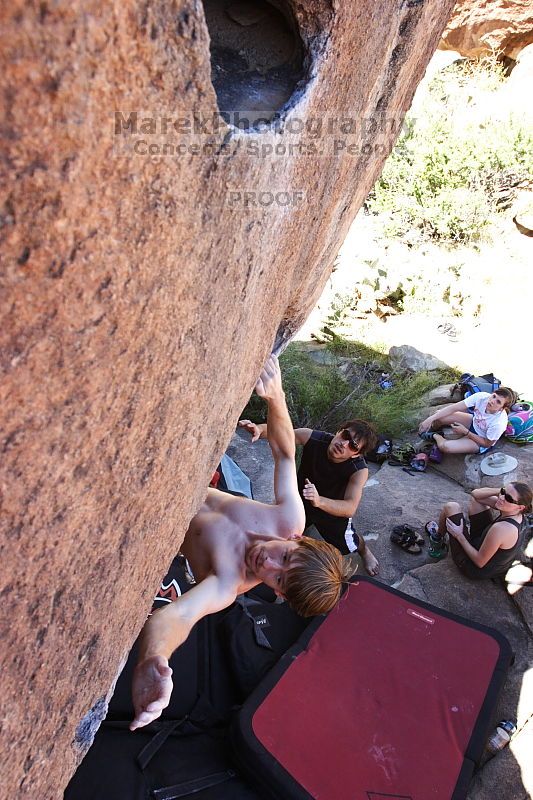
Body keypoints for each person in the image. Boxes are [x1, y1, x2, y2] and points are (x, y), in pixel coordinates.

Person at [130, 355, 349, 732]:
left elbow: (177, 617)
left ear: (278, 594)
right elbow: (284, 454)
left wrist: (154, 658)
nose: (267, 564)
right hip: (190, 481)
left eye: (277, 579)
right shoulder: (288, 520)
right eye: (284, 557)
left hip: (152, 517)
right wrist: (276, 397)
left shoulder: (227, 583)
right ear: (297, 541)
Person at [238, 417, 379, 575]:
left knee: (349, 544)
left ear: (356, 455)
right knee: (282, 534)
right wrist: (259, 429)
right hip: (300, 500)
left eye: (353, 446)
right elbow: (282, 433)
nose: (344, 444)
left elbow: (350, 508)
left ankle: (364, 551)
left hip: (331, 513)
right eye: (345, 435)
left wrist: (319, 501)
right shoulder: (313, 438)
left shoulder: (358, 470)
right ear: (339, 431)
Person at [428, 482, 532, 580]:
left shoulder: (502, 529)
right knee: (477, 501)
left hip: (474, 567)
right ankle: (442, 536)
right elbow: (476, 495)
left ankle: (437, 539)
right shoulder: (517, 513)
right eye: (503, 492)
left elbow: (479, 562)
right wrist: (501, 490)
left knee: (451, 507)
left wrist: (459, 535)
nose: (501, 497)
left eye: (509, 498)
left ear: (520, 507)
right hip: (485, 546)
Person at [418, 388, 516, 455]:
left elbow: (487, 444)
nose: (492, 401)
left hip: (481, 439)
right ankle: (431, 430)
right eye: (494, 396)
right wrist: (430, 419)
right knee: (439, 415)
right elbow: (454, 407)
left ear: (502, 408)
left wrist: (465, 432)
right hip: (473, 422)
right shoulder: (482, 397)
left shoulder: (499, 423)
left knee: (445, 447)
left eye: (498, 402)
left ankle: (436, 436)